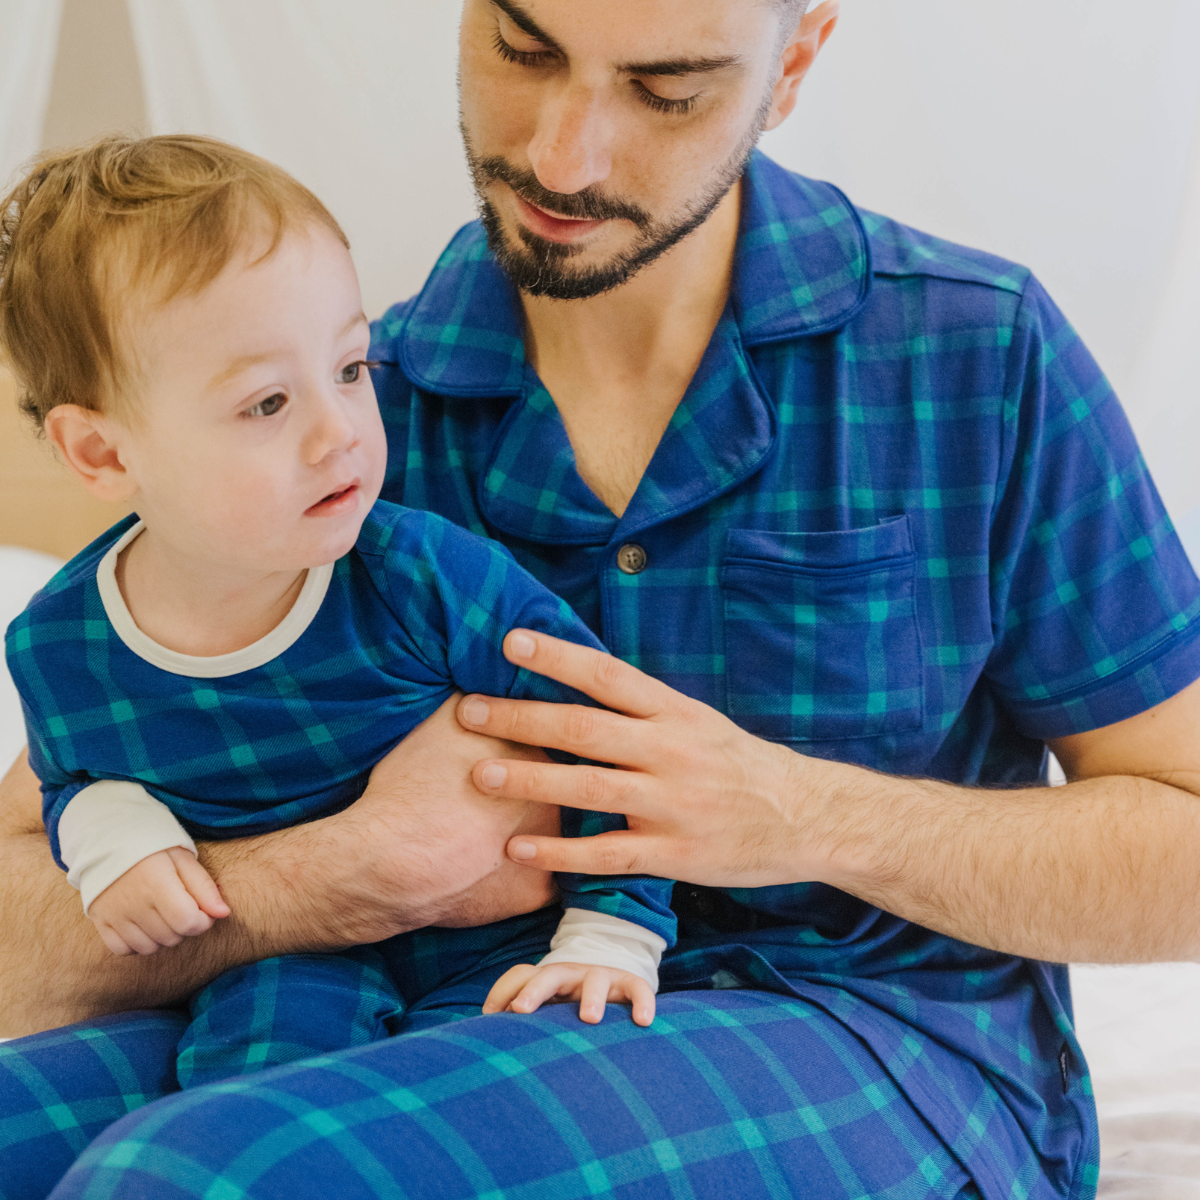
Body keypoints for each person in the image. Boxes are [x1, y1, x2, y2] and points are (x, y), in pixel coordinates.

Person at [3, 0, 1200, 1197]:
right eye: (524, 51)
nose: (564, 157)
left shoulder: (973, 353)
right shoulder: (332, 425)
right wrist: (333, 874)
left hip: (877, 1036)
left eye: (667, 88)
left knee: (195, 1177)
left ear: (793, 63)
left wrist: (804, 813)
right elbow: (25, 909)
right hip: (412, 1006)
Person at [0, 136, 673, 1091]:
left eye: (351, 369)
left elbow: (601, 724)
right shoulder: (60, 645)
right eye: (267, 402)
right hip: (269, 974)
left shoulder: (420, 574)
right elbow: (71, 776)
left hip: (494, 945)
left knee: (457, 1095)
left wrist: (615, 925)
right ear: (104, 456)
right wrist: (114, 833)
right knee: (242, 1093)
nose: (339, 432)